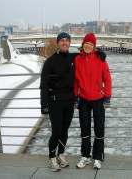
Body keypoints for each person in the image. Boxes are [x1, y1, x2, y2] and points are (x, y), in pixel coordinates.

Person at [40, 32, 106, 172]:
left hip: (69, 101)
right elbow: (44, 84)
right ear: (58, 43)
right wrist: (43, 104)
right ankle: (52, 157)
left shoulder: (74, 57)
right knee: (56, 131)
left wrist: (101, 53)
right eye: (62, 40)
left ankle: (61, 155)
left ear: (70, 43)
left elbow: (88, 53)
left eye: (67, 40)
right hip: (55, 102)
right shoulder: (50, 61)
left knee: (64, 131)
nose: (64, 43)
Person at [74, 33, 112, 169]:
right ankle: (85, 156)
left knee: (99, 129)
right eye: (86, 43)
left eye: (90, 44)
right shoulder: (77, 59)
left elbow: (107, 79)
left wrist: (107, 97)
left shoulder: (101, 59)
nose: (88, 46)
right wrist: (75, 97)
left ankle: (97, 157)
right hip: (83, 99)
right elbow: (75, 81)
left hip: (98, 99)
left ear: (94, 46)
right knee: (84, 129)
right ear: (83, 45)